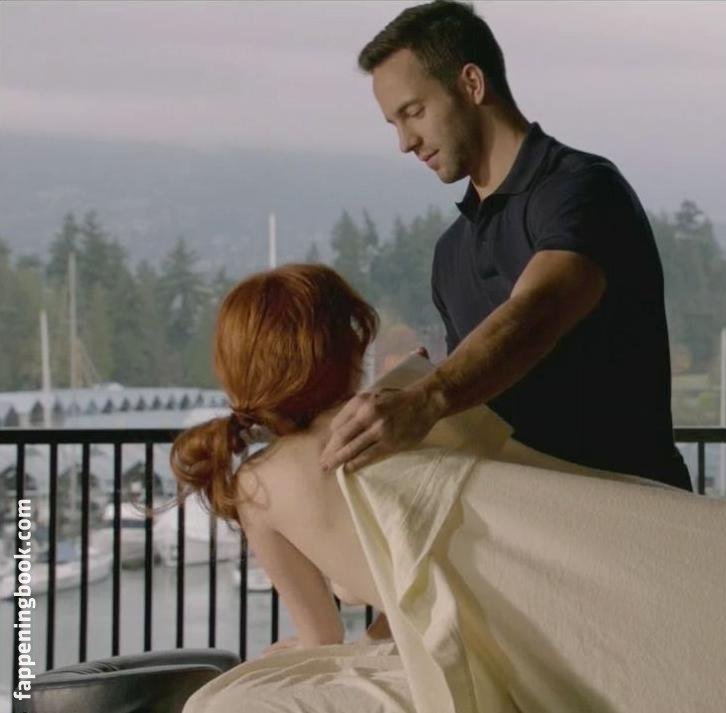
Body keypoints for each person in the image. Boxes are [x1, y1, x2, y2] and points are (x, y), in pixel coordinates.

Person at [319, 0, 692, 493]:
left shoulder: (582, 189)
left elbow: (540, 308)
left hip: (634, 509)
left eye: (414, 112)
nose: (406, 142)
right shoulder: (450, 254)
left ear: (472, 84)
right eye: (394, 124)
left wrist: (426, 399)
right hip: (526, 520)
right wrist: (411, 388)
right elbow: (483, 404)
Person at [168, 264, 395, 655]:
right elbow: (437, 588)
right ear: (348, 350)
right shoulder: (401, 418)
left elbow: (322, 635)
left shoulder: (258, 482)